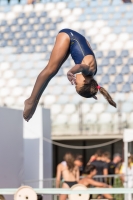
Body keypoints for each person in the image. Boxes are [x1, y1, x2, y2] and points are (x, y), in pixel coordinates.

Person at [23, 28, 116, 121]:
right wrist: (71, 72)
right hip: (69, 37)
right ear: (85, 81)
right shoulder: (89, 70)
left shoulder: (91, 74)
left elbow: (89, 84)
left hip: (72, 41)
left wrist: (90, 93)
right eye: (77, 84)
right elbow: (80, 66)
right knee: (50, 69)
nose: (75, 82)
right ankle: (31, 101)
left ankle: (35, 100)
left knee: (53, 72)